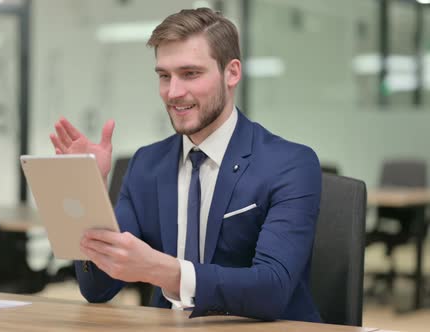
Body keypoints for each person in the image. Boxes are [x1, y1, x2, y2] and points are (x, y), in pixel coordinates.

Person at [49, 8, 322, 322]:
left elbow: (272, 288)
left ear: (231, 73)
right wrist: (86, 191)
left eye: (190, 73)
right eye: (164, 76)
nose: (173, 92)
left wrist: (165, 271)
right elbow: (98, 288)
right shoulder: (146, 164)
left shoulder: (290, 164)